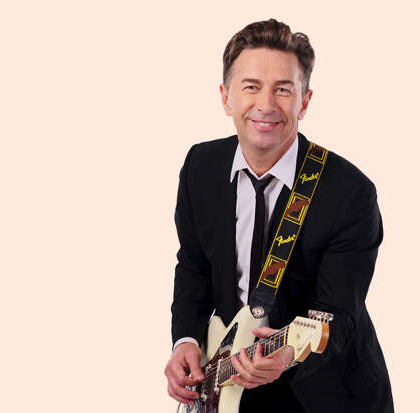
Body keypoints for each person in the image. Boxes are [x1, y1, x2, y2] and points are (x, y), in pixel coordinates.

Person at [164, 19, 394, 413]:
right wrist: (185, 340)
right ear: (225, 97)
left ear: (304, 102)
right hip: (228, 380)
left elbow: (338, 315)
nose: (266, 105)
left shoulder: (350, 193)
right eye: (251, 86)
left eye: (283, 89)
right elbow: (193, 266)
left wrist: (288, 355)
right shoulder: (200, 166)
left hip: (325, 394)